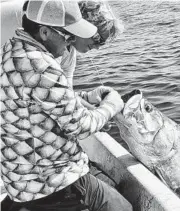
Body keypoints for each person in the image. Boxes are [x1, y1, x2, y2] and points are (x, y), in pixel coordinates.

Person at [0, 0, 132, 211]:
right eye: (67, 36)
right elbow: (79, 127)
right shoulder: (41, 66)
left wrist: (86, 100)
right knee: (122, 208)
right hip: (50, 183)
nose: (69, 44)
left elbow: (44, 99)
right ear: (44, 32)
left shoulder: (11, 49)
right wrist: (110, 107)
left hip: (18, 179)